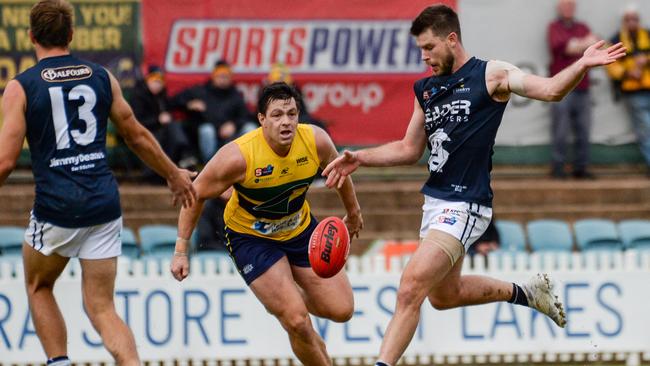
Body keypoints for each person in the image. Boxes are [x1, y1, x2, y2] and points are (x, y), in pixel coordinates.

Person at [323, 5, 624, 365]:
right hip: (434, 203)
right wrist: (360, 158)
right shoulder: (427, 90)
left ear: (452, 39)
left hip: (466, 204)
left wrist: (581, 65)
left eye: (430, 48)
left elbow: (550, 90)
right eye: (420, 49)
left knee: (410, 288)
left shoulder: (490, 74)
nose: (424, 57)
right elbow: (408, 149)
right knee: (443, 296)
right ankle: (526, 293)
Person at [0, 1, 197, 365]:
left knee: (39, 286)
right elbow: (136, 134)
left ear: (31, 37)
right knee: (102, 307)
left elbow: (6, 162)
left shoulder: (20, 87)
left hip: (57, 208)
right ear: (71, 35)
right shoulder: (101, 76)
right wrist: (173, 173)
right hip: (104, 205)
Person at [171, 82, 363, 365]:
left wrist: (354, 211)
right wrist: (181, 249)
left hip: (299, 230)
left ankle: (287, 294)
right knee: (297, 321)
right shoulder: (238, 156)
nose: (286, 122)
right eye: (276, 115)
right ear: (261, 119)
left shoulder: (316, 140)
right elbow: (195, 194)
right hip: (250, 238)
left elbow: (341, 172)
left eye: (291, 113)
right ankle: (287, 303)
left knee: (342, 309)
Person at [548, 0, 598, 179]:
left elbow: (597, 43)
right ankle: (558, 167)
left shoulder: (582, 26)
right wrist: (584, 44)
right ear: (559, 9)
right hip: (562, 89)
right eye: (565, 6)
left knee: (584, 130)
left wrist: (576, 44)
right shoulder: (554, 27)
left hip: (583, 87)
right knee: (560, 131)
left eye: (570, 5)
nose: (568, 9)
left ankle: (581, 168)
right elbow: (562, 47)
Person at [171, 60, 257, 163]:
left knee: (250, 128)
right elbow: (173, 101)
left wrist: (234, 125)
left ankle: (248, 162)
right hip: (207, 137)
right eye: (220, 76)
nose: (223, 80)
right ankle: (210, 163)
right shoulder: (200, 91)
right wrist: (188, 104)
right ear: (213, 76)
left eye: (226, 77)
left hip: (229, 138)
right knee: (207, 130)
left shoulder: (235, 95)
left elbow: (246, 116)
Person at [606, 4, 650, 173]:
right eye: (628, 19)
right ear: (623, 21)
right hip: (633, 93)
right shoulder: (616, 39)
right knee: (646, 129)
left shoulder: (647, 35)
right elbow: (611, 66)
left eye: (635, 19)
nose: (632, 22)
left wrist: (645, 60)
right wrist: (628, 72)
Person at [130, 65, 197, 175]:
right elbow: (136, 121)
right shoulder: (138, 96)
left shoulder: (161, 95)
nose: (157, 85)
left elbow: (172, 104)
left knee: (176, 127)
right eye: (154, 81)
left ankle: (182, 157)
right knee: (173, 130)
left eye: (160, 82)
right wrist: (158, 120)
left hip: (162, 131)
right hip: (145, 131)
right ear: (147, 81)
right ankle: (184, 155)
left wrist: (188, 105)